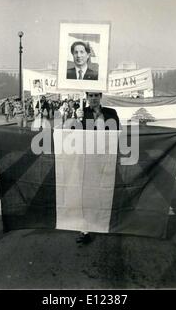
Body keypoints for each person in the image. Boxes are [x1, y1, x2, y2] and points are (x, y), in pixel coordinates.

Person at [73, 92, 120, 244]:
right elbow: (72, 135)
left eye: (96, 95)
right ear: (86, 97)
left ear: (100, 97)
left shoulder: (111, 113)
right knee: (86, 193)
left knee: (105, 190)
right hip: (87, 159)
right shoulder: (82, 112)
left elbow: (118, 133)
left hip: (106, 158)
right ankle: (85, 229)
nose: (93, 98)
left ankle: (104, 221)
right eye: (90, 96)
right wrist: (75, 119)